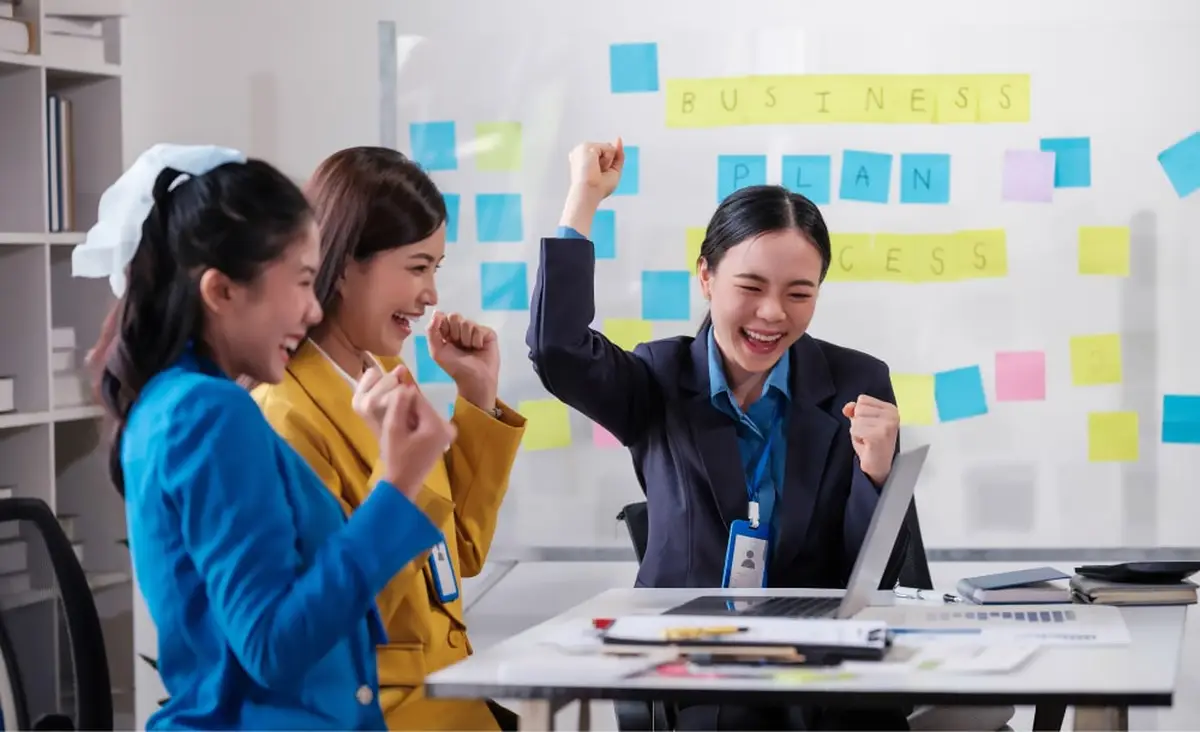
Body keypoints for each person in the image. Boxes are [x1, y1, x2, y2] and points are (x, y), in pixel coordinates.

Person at [526, 140, 909, 731]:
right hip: (694, 676)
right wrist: (584, 199)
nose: (773, 314)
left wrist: (878, 473)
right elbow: (556, 349)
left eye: (799, 293)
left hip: (822, 679)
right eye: (750, 287)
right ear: (706, 277)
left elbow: (872, 575)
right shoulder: (656, 377)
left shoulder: (857, 383)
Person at [73, 144, 458, 730]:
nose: (311, 311)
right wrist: (399, 484)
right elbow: (273, 647)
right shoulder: (206, 412)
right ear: (221, 292)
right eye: (303, 283)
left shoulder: (183, 403)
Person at [252, 146, 527, 731]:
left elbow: (461, 555)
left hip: (455, 701)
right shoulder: (285, 412)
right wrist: (397, 483)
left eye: (436, 269)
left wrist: (476, 397)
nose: (431, 295)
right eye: (417, 266)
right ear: (346, 264)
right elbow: (330, 623)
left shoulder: (383, 378)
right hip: (385, 714)